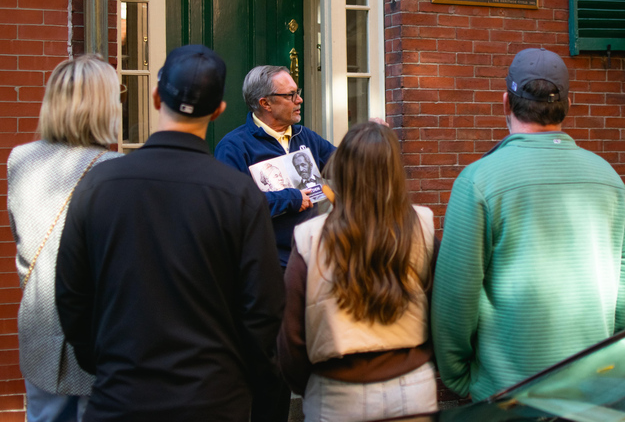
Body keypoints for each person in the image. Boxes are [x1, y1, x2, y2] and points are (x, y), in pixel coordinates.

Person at [55, 45, 286, 422]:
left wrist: (102, 361)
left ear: (156, 95)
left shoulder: (99, 184)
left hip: (120, 397)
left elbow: (70, 293)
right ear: (219, 111)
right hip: (212, 400)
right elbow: (263, 306)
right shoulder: (238, 195)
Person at [432, 47, 625, 400]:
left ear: (505, 103)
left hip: (508, 396)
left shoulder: (478, 181)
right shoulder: (609, 178)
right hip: (590, 392)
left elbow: (456, 298)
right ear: (567, 107)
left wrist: (460, 377)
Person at [277, 122, 438, 422]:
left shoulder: (310, 237)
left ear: (343, 171)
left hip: (337, 391)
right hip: (412, 386)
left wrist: (310, 386)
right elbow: (443, 311)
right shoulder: (423, 226)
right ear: (394, 170)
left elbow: (291, 336)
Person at [8, 55, 122, 422]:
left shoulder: (20, 159)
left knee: (43, 416)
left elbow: (20, 235)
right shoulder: (114, 169)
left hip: (40, 316)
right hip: (97, 327)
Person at [214, 65, 336, 268]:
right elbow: (230, 208)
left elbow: (346, 166)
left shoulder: (305, 136)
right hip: (265, 264)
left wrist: (369, 141)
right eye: (290, 95)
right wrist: (289, 199)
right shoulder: (234, 147)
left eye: (298, 93)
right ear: (265, 103)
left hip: (314, 256)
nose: (299, 100)